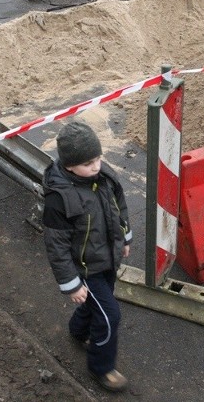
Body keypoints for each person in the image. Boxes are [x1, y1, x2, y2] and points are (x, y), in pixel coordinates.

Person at [42, 121, 133, 392]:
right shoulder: (60, 198)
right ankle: (101, 367)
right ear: (69, 165)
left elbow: (119, 207)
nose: (96, 166)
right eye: (88, 163)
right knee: (109, 316)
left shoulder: (104, 177)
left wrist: (123, 237)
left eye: (98, 158)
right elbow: (56, 246)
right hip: (85, 269)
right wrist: (72, 283)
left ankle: (78, 330)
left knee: (96, 305)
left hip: (107, 258)